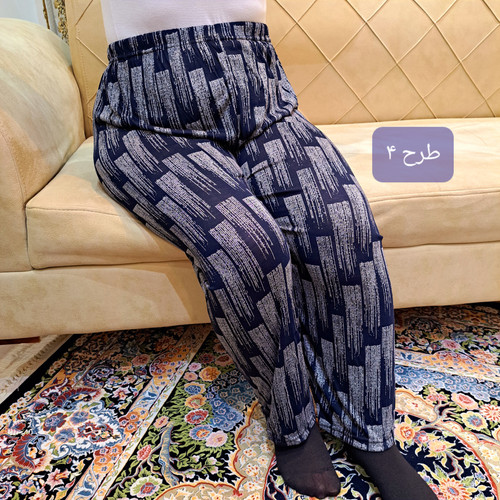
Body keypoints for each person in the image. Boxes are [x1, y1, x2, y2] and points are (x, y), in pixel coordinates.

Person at [93, 1, 438, 498]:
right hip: (146, 123)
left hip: (264, 104)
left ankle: (368, 426)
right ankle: (293, 423)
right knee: (247, 246)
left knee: (343, 228)